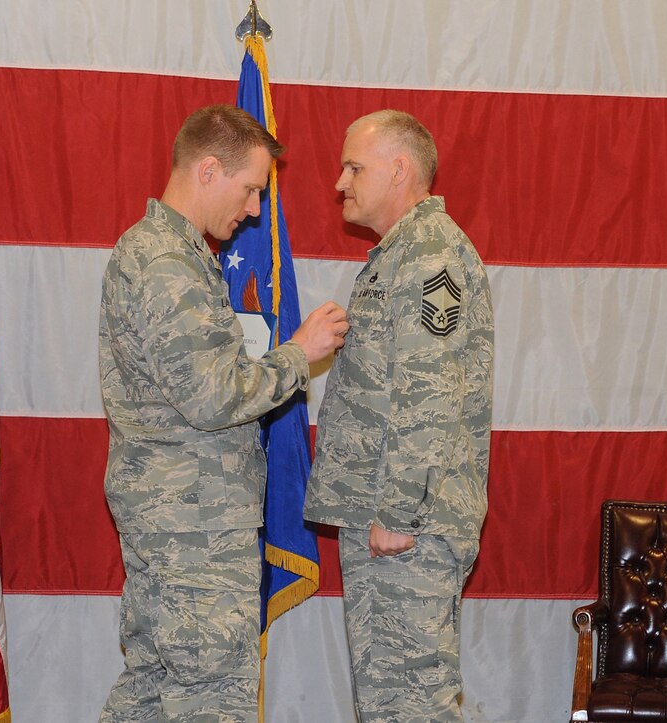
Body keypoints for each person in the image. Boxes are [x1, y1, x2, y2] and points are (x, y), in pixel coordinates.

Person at [99, 104, 348, 722]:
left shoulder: (170, 254)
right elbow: (213, 397)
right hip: (194, 533)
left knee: (152, 699)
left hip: (180, 526)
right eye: (251, 190)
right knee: (209, 701)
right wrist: (299, 354)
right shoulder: (167, 265)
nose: (255, 210)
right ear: (208, 170)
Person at [304, 110, 494, 722]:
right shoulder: (400, 254)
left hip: (408, 521)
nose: (340, 182)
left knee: (412, 701)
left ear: (400, 169)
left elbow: (429, 391)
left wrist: (399, 511)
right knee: (389, 703)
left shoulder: (431, 255)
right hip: (384, 515)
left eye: (354, 167)